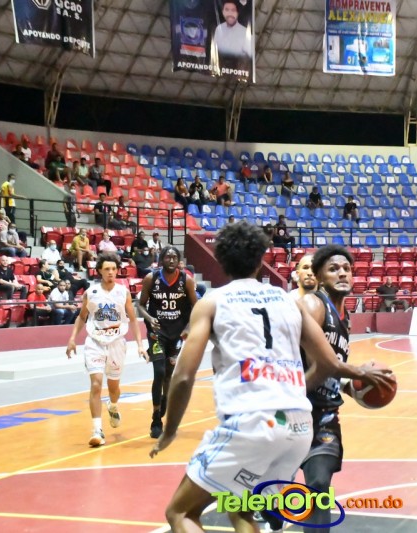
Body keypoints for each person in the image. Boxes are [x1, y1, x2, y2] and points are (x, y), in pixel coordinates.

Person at [148, 223, 393, 532]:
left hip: (251, 422)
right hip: (298, 425)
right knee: (241, 509)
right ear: (261, 259)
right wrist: (360, 372)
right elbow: (328, 362)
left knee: (180, 513)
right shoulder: (287, 301)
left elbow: (183, 377)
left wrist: (170, 431)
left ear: (220, 261)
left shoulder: (213, 301)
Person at [291, 244, 395, 532]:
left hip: (324, 414)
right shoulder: (314, 305)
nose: (342, 273)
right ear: (319, 277)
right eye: (333, 269)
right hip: (292, 410)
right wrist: (360, 373)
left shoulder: (344, 316)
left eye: (347, 269)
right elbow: (323, 363)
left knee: (319, 484)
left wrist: (352, 386)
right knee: (270, 494)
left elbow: (330, 367)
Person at [66, 253, 148, 447]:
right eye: (107, 269)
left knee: (113, 388)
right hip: (95, 342)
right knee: (96, 384)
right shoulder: (91, 293)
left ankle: (113, 405)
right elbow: (82, 317)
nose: (111, 272)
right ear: (100, 271)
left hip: (117, 342)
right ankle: (97, 430)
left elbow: (133, 319)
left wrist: (139, 344)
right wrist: (72, 339)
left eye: (113, 269)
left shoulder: (123, 292)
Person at [137, 246, 198, 438]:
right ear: (161, 259)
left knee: (169, 375)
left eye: (174, 257)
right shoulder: (151, 278)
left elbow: (196, 307)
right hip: (157, 333)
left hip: (177, 334)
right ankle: (156, 419)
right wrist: (149, 318)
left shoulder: (186, 280)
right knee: (159, 371)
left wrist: (188, 328)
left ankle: (164, 400)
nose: (171, 260)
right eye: (167, 257)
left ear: (179, 261)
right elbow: (140, 304)